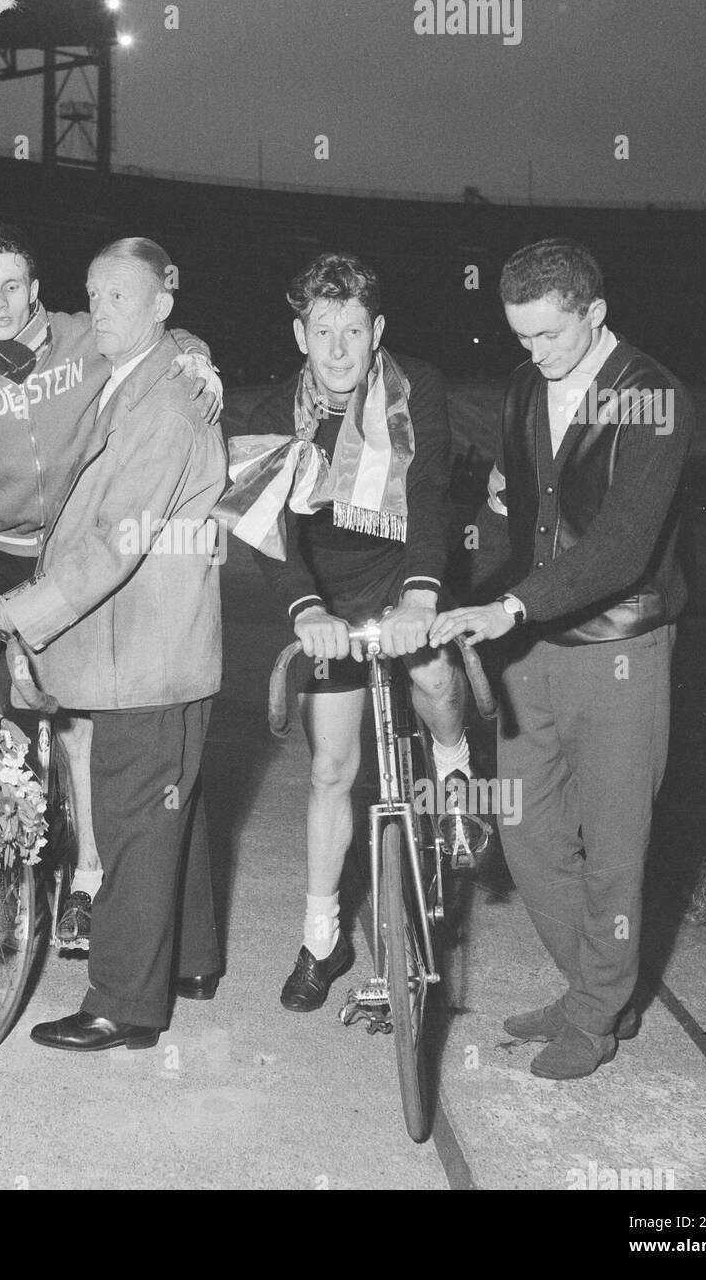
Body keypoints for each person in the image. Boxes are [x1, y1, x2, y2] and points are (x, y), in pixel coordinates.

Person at [0, 220, 221, 946]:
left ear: (36, 290)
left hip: (70, 550)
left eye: (13, 287)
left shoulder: (81, 334)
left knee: (76, 721)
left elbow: (154, 327)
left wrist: (197, 355)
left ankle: (86, 880)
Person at [430, 238, 695, 1080]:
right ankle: (592, 985)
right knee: (524, 829)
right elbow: (523, 510)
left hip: (617, 647)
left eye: (549, 336)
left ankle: (594, 1013)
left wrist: (510, 605)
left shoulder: (652, 398)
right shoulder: (521, 388)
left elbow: (620, 546)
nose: (533, 354)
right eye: (520, 338)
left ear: (594, 312)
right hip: (528, 645)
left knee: (614, 845)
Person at [0, 237, 226, 1051]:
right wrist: (195, 350)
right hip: (152, 649)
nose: (102, 312)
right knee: (168, 804)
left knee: (130, 821)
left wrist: (19, 611)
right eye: (94, 295)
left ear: (163, 302)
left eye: (122, 297)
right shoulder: (151, 369)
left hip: (145, 650)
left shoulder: (166, 406)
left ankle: (124, 1004)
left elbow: (116, 541)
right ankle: (190, 962)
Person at [214, 252, 479, 1014]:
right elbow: (268, 535)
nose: (337, 349)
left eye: (353, 331)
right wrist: (305, 610)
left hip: (402, 574)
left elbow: (426, 491)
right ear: (300, 333)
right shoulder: (271, 415)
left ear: (377, 332)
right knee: (331, 766)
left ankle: (455, 762)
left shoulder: (415, 386)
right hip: (323, 595)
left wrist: (421, 597)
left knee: (431, 675)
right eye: (322, 330)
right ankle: (322, 935)